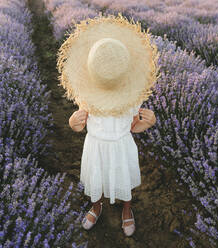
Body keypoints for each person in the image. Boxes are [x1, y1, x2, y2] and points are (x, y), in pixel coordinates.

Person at [56, 12, 160, 236]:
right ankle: (96, 206)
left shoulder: (133, 95)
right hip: (96, 145)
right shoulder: (86, 93)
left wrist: (148, 123)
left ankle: (126, 209)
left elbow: (133, 126)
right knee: (96, 179)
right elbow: (79, 125)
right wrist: (72, 122)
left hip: (122, 144)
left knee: (124, 181)